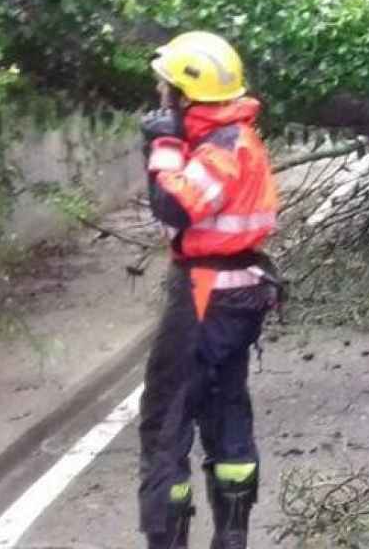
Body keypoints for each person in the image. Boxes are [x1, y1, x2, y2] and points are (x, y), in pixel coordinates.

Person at [137, 31, 281, 549]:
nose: (159, 96)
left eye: (165, 88)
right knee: (225, 411)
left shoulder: (220, 148)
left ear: (184, 95)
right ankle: (233, 537)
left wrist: (164, 145)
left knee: (166, 423)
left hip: (204, 294)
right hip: (239, 293)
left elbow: (173, 208)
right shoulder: (237, 138)